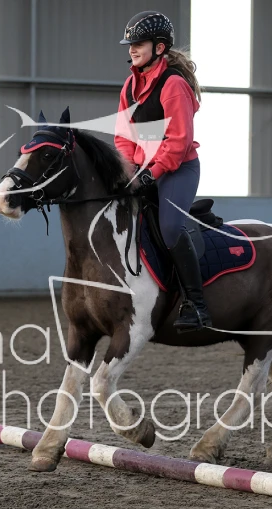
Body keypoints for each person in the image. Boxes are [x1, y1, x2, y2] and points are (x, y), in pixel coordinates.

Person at [114, 10, 212, 333]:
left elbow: (179, 141)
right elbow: (123, 137)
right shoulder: (130, 86)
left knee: (169, 228)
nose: (132, 49)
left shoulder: (174, 85)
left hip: (178, 169)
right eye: (130, 45)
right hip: (144, 170)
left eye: (138, 44)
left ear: (159, 47)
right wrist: (129, 171)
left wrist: (150, 174)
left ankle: (196, 305)